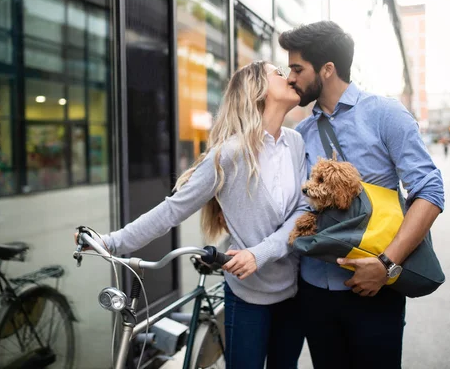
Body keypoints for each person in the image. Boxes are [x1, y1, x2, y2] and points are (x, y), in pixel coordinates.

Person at [79, 62, 307, 368]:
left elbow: (303, 212)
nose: (288, 75)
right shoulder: (228, 155)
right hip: (249, 297)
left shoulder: (295, 142)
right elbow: (172, 210)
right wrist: (110, 242)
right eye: (278, 72)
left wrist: (260, 253)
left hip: (293, 291)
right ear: (259, 90)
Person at [278, 21, 445, 369]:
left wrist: (387, 265)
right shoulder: (301, 132)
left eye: (297, 68)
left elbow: (429, 190)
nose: (290, 77)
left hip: (374, 290)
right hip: (313, 291)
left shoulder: (385, 114)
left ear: (327, 69)